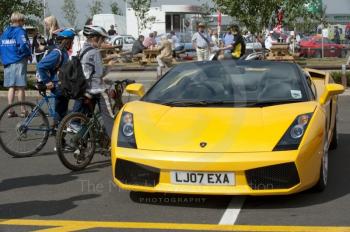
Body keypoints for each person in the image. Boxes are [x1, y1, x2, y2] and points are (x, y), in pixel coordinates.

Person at [76, 25, 114, 138]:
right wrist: (110, 66)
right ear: (94, 38)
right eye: (102, 39)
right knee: (108, 116)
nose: (103, 41)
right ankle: (114, 142)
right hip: (96, 89)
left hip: (85, 88)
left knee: (88, 118)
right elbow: (100, 73)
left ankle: (80, 142)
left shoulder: (83, 49)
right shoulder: (94, 52)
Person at [36, 28, 75, 127]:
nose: (73, 43)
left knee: (61, 108)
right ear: (67, 41)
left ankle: (57, 127)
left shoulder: (64, 52)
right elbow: (41, 66)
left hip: (61, 83)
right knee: (62, 107)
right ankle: (59, 128)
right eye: (72, 40)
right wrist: (47, 81)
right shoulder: (57, 52)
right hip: (57, 85)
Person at [0, 12, 31, 117]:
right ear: (19, 21)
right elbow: (24, 45)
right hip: (18, 60)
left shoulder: (5, 32)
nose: (23, 23)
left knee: (11, 87)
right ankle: (23, 110)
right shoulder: (20, 31)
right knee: (20, 86)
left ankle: (10, 110)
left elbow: (2, 47)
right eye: (23, 21)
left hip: (7, 61)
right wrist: (28, 54)